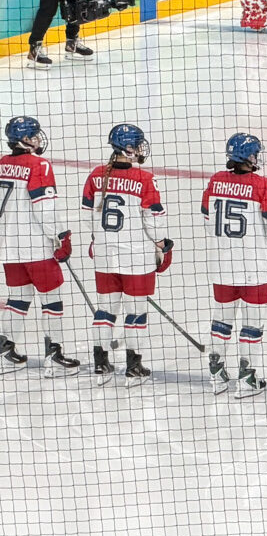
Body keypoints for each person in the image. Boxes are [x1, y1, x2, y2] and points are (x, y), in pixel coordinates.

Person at [199, 133, 267, 399]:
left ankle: (216, 376)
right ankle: (247, 378)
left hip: (221, 265)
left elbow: (208, 219)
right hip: (255, 268)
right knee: (252, 324)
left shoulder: (216, 181)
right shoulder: (264, 185)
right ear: (249, 157)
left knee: (221, 320)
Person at [82, 123, 170, 388]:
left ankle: (101, 361)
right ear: (129, 148)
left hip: (104, 255)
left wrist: (98, 239)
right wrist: (162, 245)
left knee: (105, 310)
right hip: (137, 257)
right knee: (135, 314)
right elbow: (154, 220)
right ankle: (133, 366)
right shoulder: (144, 178)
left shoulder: (96, 175)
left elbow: (88, 215)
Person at [0, 116, 82, 377]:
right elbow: (45, 208)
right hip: (36, 245)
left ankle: (4, 352)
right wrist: (60, 236)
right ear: (23, 140)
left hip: (8, 246)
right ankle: (54, 356)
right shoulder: (39, 165)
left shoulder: (2, 164)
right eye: (33, 136)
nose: (37, 139)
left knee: (19, 298)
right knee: (52, 298)